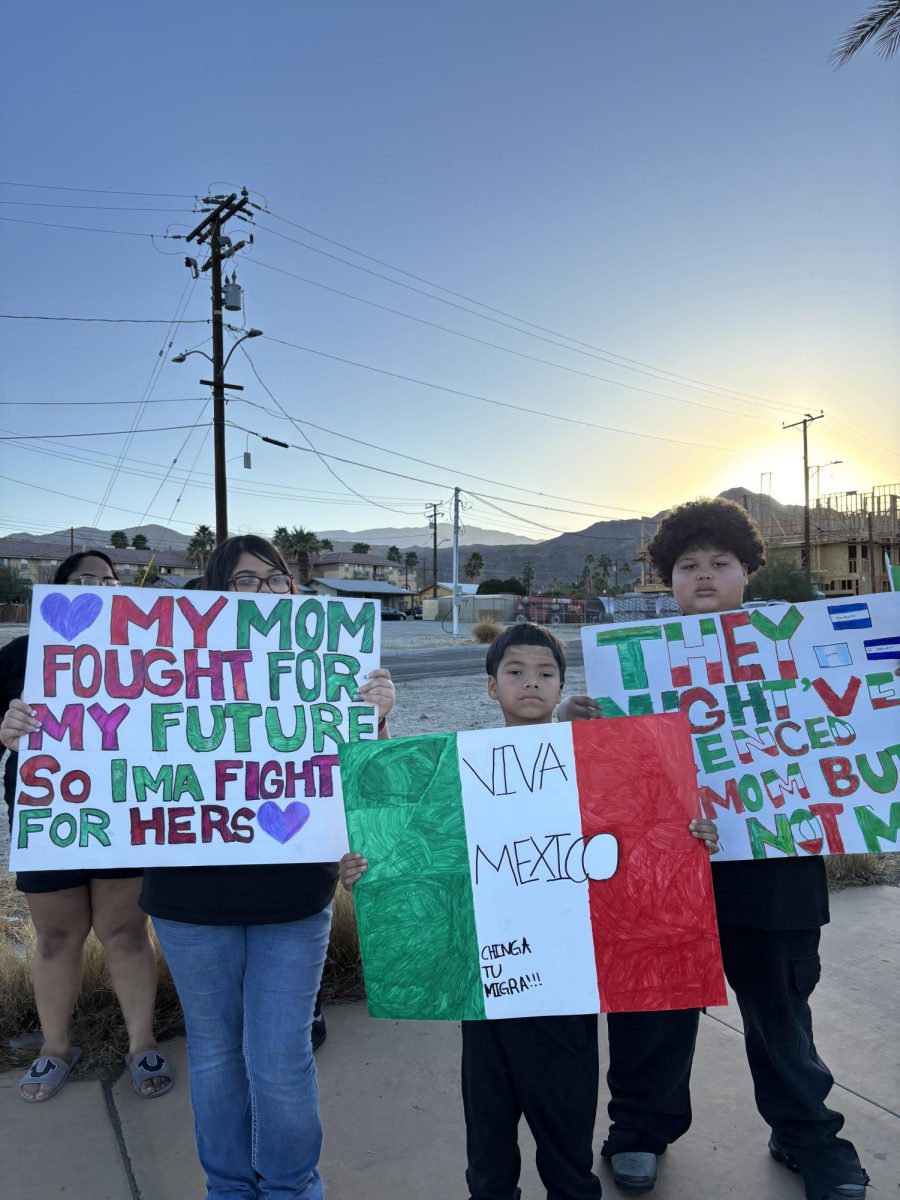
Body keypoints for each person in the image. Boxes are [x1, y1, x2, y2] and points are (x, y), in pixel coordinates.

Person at [340, 621, 717, 1200]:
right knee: (488, 1136)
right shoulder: (462, 764)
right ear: (491, 687)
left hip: (567, 984)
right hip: (485, 985)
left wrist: (690, 836)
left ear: (562, 685)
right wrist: (372, 867)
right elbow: (400, 819)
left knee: (567, 1129)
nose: (530, 683)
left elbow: (644, 832)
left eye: (545, 673)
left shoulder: (598, 767)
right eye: (515, 672)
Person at [560, 498, 869, 1200]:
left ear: (748, 571)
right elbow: (608, 776)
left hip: (776, 865)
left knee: (782, 1013)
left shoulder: (794, 649)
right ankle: (638, 1129)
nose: (704, 576)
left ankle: (805, 1134)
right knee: (654, 1010)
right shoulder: (631, 665)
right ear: (666, 580)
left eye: (719, 564)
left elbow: (852, 721)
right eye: (687, 565)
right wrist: (584, 722)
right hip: (666, 869)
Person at [139, 533, 395, 1200]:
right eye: (242, 581)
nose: (261, 591)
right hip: (189, 900)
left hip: (292, 898)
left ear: (292, 589)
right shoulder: (162, 660)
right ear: (215, 593)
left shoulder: (319, 661)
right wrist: (31, 726)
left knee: (279, 1059)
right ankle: (227, 1188)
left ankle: (290, 1187)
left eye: (273, 579)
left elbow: (363, 782)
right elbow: (101, 740)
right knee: (217, 1056)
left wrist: (378, 721)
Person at [0, 551, 172, 1102]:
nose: (97, 588)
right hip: (46, 811)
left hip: (120, 806)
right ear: (59, 590)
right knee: (55, 937)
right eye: (83, 580)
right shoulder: (22, 655)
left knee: (125, 932)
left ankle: (141, 1042)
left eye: (108, 581)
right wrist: (7, 728)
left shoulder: (144, 652)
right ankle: (56, 1048)